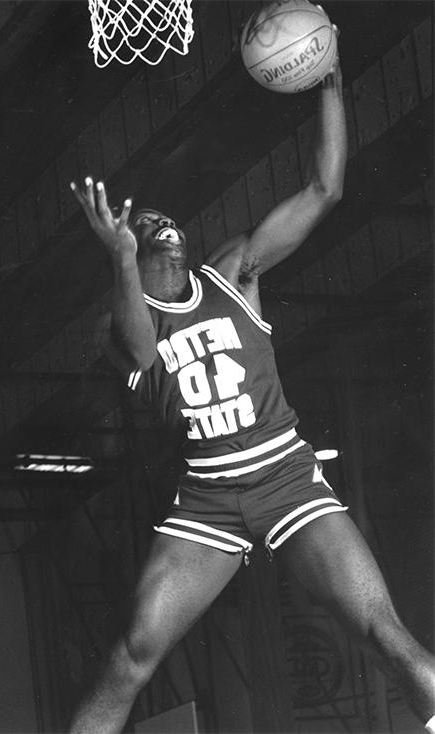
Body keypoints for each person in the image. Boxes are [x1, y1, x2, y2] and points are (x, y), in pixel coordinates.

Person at [69, 49, 435, 734]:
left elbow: (324, 189)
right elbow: (146, 349)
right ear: (134, 256)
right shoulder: (117, 329)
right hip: (209, 500)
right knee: (129, 657)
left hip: (288, 477)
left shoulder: (235, 271)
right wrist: (118, 256)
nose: (162, 226)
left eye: (164, 219)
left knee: (388, 636)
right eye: (144, 228)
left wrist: (330, 78)